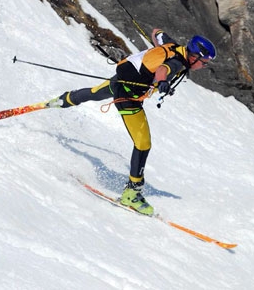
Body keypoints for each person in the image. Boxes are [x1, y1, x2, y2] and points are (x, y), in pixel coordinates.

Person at [49, 29, 217, 215]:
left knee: (94, 93)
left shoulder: (173, 46)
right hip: (128, 97)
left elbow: (157, 33)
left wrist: (156, 52)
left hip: (119, 82)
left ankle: (62, 100)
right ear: (194, 57)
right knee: (143, 143)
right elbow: (164, 70)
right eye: (204, 62)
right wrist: (162, 82)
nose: (203, 66)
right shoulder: (177, 63)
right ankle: (132, 194)